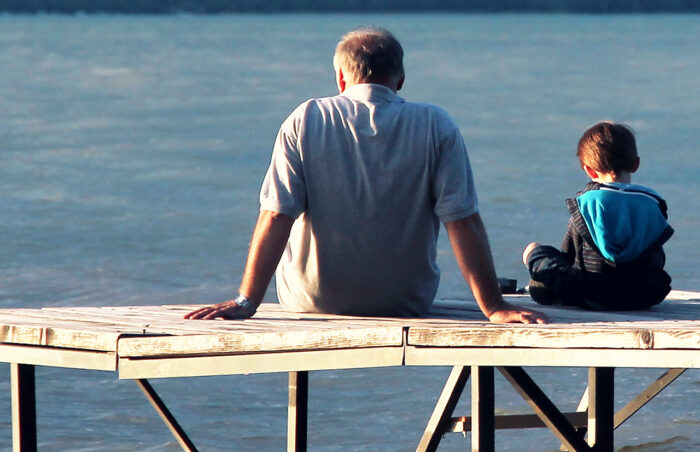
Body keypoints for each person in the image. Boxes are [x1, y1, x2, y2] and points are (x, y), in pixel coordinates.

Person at [186, 27, 546, 324]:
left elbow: (277, 213)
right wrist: (494, 307)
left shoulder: (306, 118)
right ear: (401, 79)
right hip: (405, 301)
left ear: (340, 77)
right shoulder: (436, 124)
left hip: (313, 300)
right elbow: (462, 221)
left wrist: (246, 300)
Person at [522, 121, 674, 310]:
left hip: (590, 295)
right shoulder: (653, 203)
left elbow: (568, 256)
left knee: (534, 250)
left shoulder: (586, 203)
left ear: (589, 170)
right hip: (643, 296)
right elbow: (657, 257)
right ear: (636, 164)